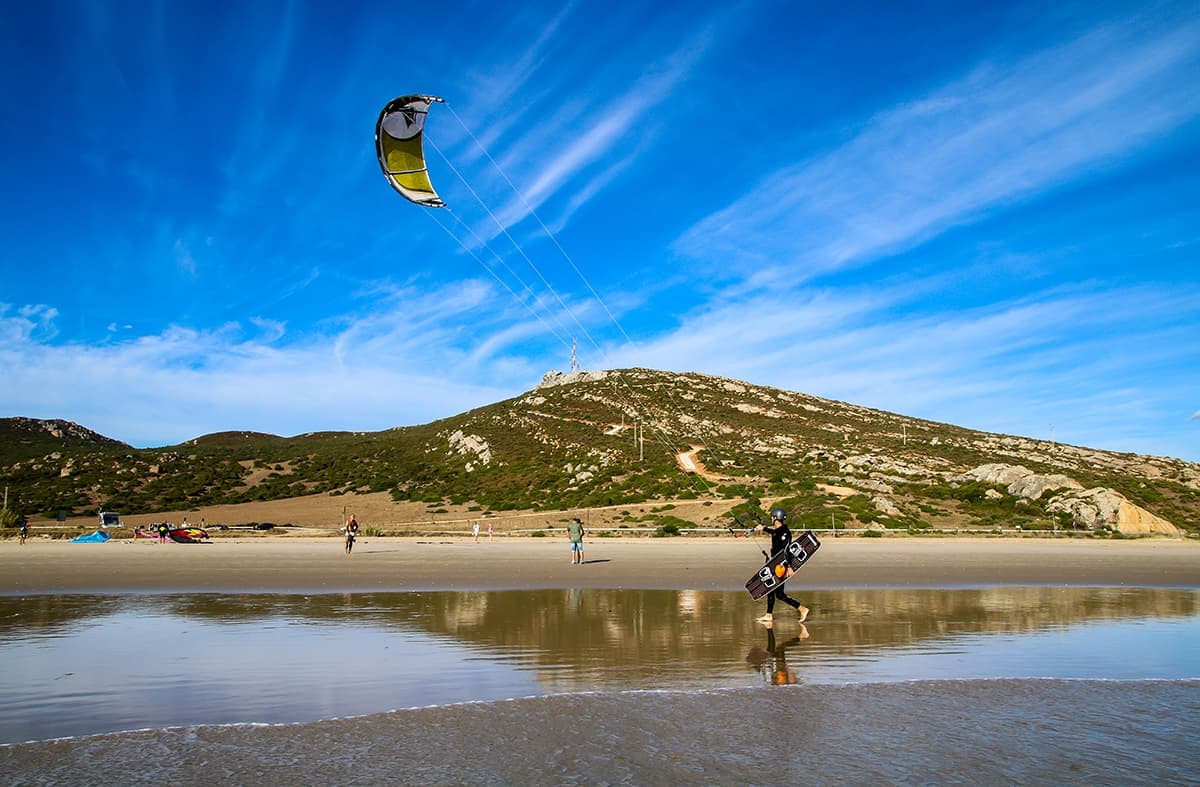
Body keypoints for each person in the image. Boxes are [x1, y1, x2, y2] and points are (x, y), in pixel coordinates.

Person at [754, 508, 809, 625]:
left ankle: (802, 609)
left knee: (779, 594)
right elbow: (774, 533)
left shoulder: (785, 532)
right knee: (771, 589)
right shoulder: (778, 531)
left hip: (781, 565)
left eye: (772, 517)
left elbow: (787, 550)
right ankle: (769, 614)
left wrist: (789, 567)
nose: (771, 519)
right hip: (774, 563)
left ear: (775, 518)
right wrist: (763, 528)